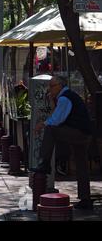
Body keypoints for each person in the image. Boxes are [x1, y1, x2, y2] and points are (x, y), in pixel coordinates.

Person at [33, 76, 94, 210]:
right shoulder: (65, 96)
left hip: (79, 132)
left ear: (60, 85)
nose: (50, 89)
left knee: (51, 130)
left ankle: (45, 163)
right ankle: (85, 199)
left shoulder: (65, 98)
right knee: (81, 165)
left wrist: (42, 124)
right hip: (84, 133)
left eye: (52, 86)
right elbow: (58, 113)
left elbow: (57, 119)